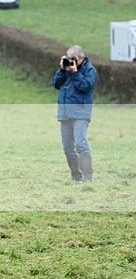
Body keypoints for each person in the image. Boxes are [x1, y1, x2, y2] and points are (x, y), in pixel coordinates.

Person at [52, 45, 97, 183]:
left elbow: (85, 86)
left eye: (73, 59)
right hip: (65, 113)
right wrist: (62, 70)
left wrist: (75, 72)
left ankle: (88, 177)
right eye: (68, 58)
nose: (70, 61)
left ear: (81, 58)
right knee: (67, 148)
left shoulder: (90, 70)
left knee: (80, 144)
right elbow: (55, 84)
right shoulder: (65, 69)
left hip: (81, 113)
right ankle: (76, 176)